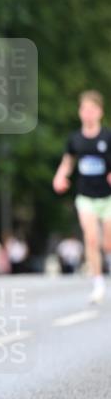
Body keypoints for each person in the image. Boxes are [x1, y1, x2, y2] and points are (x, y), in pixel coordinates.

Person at [53, 90, 111, 303]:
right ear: (80, 112)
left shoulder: (107, 137)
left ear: (100, 112)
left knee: (108, 242)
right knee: (91, 237)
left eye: (92, 109)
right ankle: (98, 284)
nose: (88, 113)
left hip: (107, 197)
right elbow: (68, 162)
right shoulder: (75, 139)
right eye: (84, 109)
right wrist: (60, 177)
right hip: (85, 196)